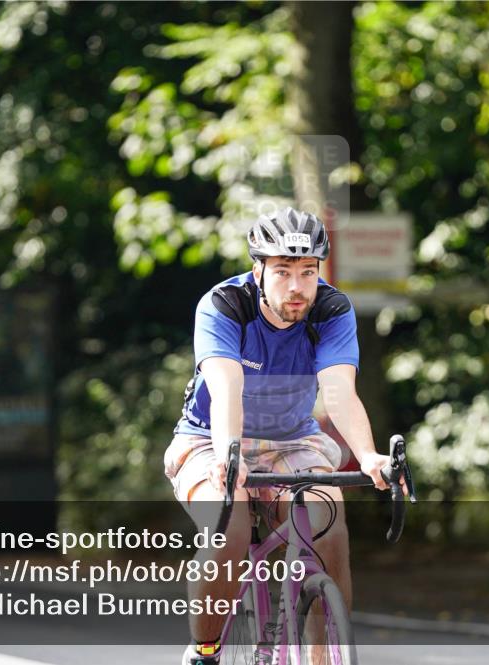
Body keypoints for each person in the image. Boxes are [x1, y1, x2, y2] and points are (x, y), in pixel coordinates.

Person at [164, 208, 393, 665]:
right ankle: (204, 651)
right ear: (258, 270)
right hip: (210, 437)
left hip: (293, 440)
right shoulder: (225, 305)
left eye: (308, 272)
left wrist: (368, 456)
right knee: (229, 525)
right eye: (283, 271)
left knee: (328, 520)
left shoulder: (331, 310)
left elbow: (339, 391)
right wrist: (231, 456)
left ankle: (324, 657)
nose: (296, 286)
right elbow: (228, 387)